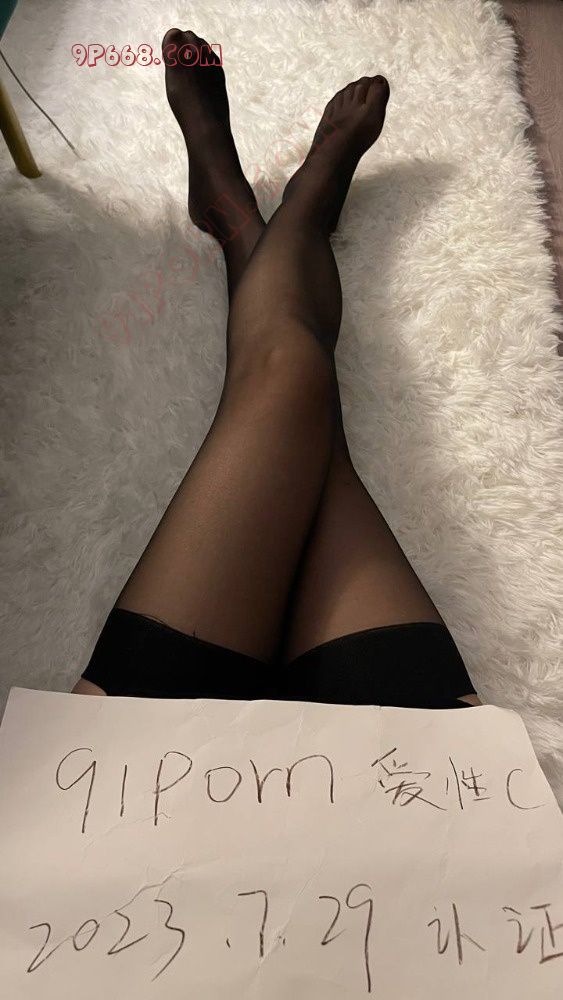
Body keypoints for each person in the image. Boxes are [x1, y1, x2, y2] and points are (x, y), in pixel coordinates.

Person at [72, 28, 480, 710]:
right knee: (305, 410)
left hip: (128, 752)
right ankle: (286, 216)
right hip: (418, 755)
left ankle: (246, 217)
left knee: (288, 375)